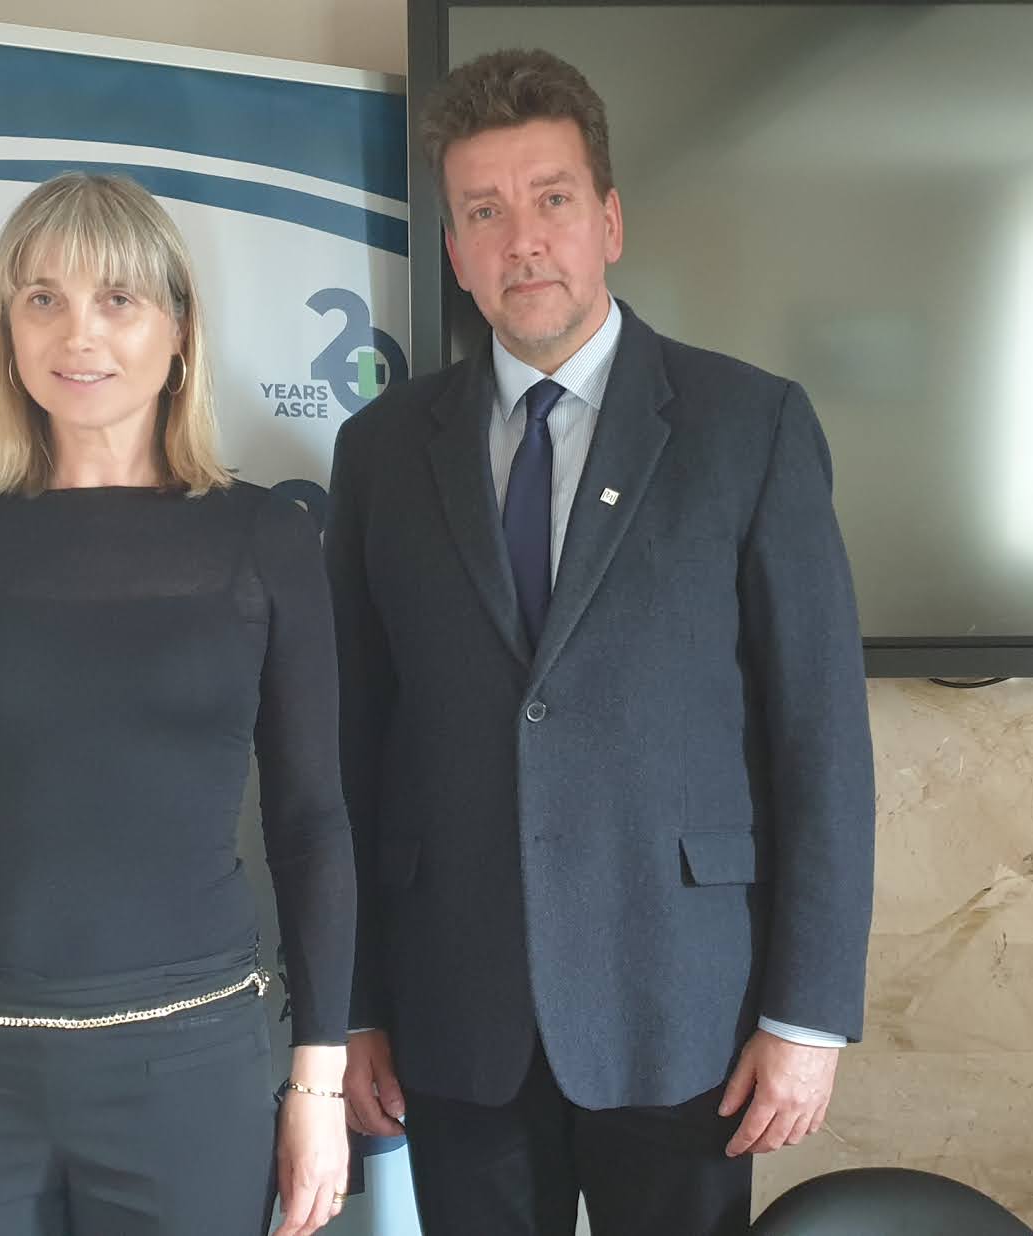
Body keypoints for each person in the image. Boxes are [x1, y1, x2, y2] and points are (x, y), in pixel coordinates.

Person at [326, 47, 877, 1236]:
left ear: (608, 220)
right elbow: (354, 747)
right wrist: (355, 1006)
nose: (520, 238)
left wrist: (807, 1018)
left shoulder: (748, 427)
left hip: (683, 1010)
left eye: (551, 200)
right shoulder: (379, 454)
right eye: (483, 212)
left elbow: (819, 737)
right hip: (455, 1013)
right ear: (456, 254)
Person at [0, 172, 354, 1236]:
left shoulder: (264, 538)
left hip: (186, 1070)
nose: (77, 333)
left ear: (179, 327)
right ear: (6, 330)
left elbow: (312, 826)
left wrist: (316, 1089)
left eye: (117, 299)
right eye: (41, 298)